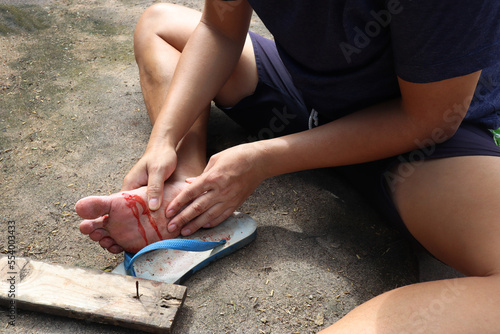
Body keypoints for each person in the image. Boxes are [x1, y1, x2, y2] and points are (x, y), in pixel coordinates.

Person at [76, 0, 500, 332]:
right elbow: (220, 28)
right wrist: (164, 140)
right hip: (309, 95)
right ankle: (186, 197)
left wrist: (265, 159)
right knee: (160, 24)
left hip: (423, 145)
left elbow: (427, 118)